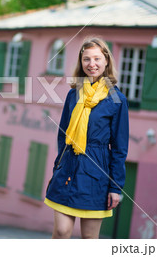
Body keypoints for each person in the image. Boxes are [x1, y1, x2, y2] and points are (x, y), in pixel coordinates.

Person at [44, 37, 129, 239]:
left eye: (97, 59)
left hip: (96, 174)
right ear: (81, 63)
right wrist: (59, 166)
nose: (92, 64)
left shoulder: (117, 99)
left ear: (106, 61)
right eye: (86, 59)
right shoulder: (74, 94)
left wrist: (115, 187)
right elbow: (63, 134)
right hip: (67, 171)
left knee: (89, 239)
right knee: (62, 231)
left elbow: (119, 147)